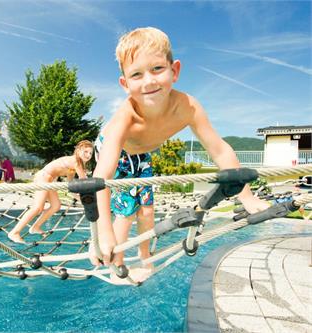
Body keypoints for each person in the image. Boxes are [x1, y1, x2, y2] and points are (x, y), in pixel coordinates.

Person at [91, 27, 268, 283]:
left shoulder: (188, 107)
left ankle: (145, 261)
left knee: (147, 212)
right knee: (126, 213)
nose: (149, 81)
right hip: (114, 152)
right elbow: (101, 176)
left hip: (142, 156)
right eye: (136, 74)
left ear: (174, 71)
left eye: (157, 69)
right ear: (125, 84)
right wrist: (103, 232)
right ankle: (114, 258)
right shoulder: (125, 116)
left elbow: (219, 150)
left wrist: (247, 197)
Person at [8, 140, 94, 243]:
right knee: (38, 207)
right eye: (86, 151)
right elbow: (84, 180)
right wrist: (91, 198)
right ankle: (14, 232)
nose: (88, 155)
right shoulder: (76, 161)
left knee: (56, 205)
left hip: (50, 180)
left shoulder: (75, 165)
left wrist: (78, 198)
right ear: (79, 150)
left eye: (90, 153)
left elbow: (71, 184)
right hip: (43, 177)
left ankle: (35, 227)